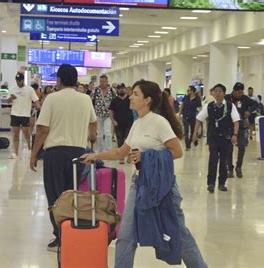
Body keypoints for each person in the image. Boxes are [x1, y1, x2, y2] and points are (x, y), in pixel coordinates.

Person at [82, 80, 207, 268]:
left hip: (163, 186)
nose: (131, 97)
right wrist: (95, 155)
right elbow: (120, 152)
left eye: (136, 94)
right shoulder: (137, 123)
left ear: (147, 100)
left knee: (178, 232)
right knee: (125, 235)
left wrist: (146, 156)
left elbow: (177, 152)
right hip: (139, 183)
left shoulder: (159, 122)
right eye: (132, 93)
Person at [30, 64, 97, 252]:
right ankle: (72, 234)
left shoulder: (52, 98)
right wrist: (91, 137)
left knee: (55, 196)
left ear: (59, 80)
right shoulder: (85, 99)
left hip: (55, 154)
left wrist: (34, 154)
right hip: (78, 153)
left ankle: (60, 237)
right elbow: (93, 123)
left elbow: (43, 129)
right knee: (72, 194)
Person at [193, 84, 240, 193]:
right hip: (213, 137)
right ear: (213, 93)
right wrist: (195, 132)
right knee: (213, 159)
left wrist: (235, 135)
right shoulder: (209, 106)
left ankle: (222, 183)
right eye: (216, 91)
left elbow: (236, 121)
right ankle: (211, 183)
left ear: (224, 93)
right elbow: (199, 119)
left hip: (226, 138)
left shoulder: (230, 106)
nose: (217, 93)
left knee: (224, 161)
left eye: (220, 91)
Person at [225, 82, 257, 178]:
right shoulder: (227, 98)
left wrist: (249, 111)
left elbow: (255, 104)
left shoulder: (245, 98)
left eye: (242, 92)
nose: (240, 94)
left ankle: (238, 167)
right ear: (234, 91)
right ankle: (230, 168)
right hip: (229, 126)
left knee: (242, 147)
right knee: (229, 149)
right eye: (239, 92)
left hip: (242, 126)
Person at [7, 73, 40, 159]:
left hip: (25, 114)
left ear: (23, 80)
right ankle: (16, 152)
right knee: (16, 133)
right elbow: (8, 101)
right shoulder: (13, 89)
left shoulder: (29, 89)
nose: (18, 82)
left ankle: (29, 145)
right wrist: (11, 98)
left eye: (20, 81)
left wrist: (38, 106)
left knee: (26, 132)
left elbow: (35, 100)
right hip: (15, 114)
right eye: (17, 81)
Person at [109, 83, 134, 164]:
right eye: (119, 88)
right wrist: (113, 121)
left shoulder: (130, 99)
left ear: (125, 89)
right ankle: (121, 157)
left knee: (128, 140)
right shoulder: (114, 100)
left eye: (122, 88)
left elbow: (135, 109)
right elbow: (110, 111)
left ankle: (129, 154)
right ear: (117, 90)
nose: (121, 90)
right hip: (118, 123)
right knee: (120, 140)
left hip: (129, 123)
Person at [91, 74, 116, 152]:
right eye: (101, 81)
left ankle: (108, 150)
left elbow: (115, 102)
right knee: (99, 134)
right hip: (98, 114)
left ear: (107, 81)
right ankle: (100, 149)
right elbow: (91, 102)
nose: (102, 83)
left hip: (108, 115)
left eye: (104, 81)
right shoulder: (95, 90)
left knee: (108, 133)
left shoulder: (112, 90)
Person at [179, 86, 202, 150]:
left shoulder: (197, 98)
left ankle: (193, 141)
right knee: (186, 132)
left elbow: (200, 108)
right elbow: (182, 105)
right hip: (185, 116)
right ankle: (188, 145)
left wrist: (200, 116)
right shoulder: (186, 97)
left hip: (193, 116)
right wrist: (179, 113)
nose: (188, 92)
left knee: (193, 131)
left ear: (192, 91)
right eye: (187, 90)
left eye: (188, 90)